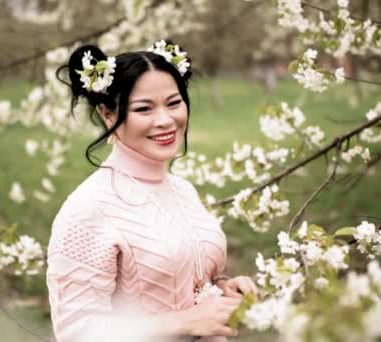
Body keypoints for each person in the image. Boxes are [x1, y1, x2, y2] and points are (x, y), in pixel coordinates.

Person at [46, 41, 257, 342]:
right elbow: (76, 332)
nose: (165, 120)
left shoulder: (183, 190)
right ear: (107, 114)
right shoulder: (88, 209)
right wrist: (186, 321)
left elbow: (181, 277)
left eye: (173, 103)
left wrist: (221, 288)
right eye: (144, 108)